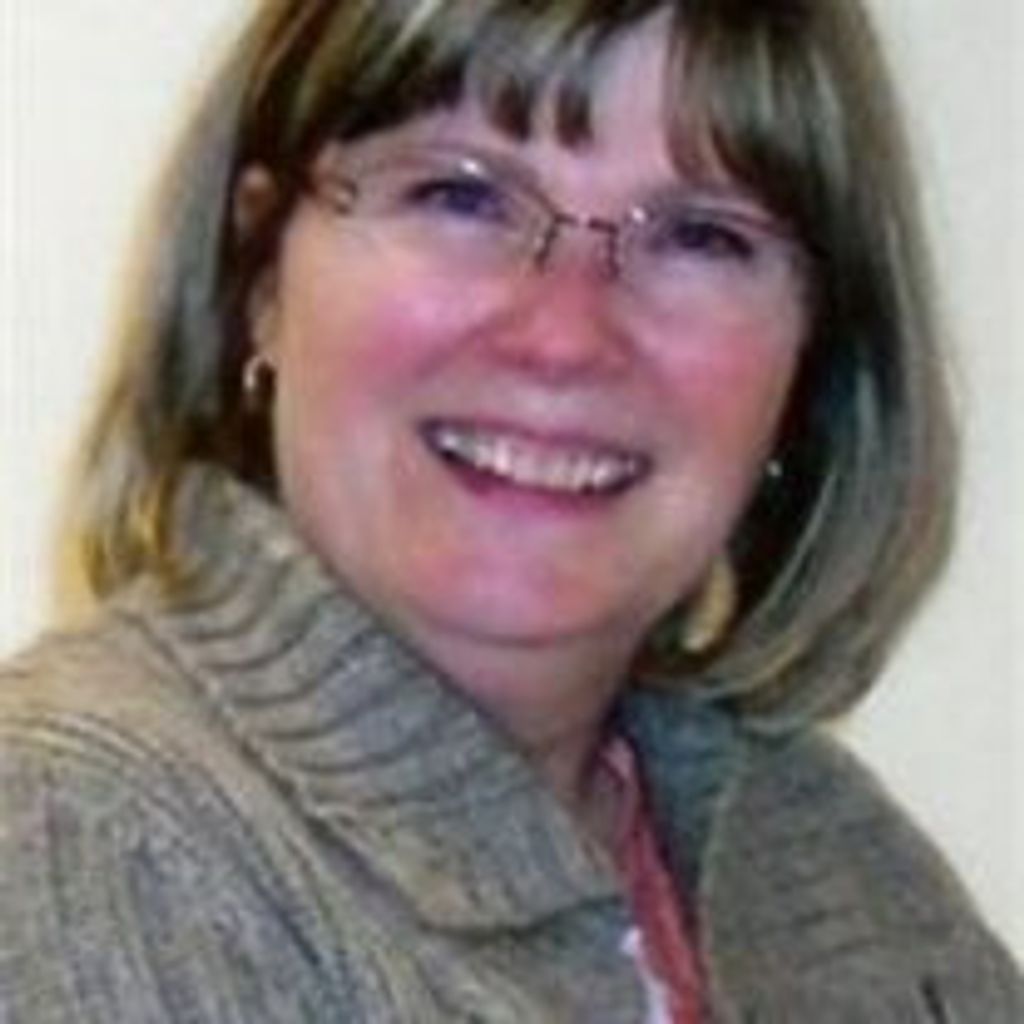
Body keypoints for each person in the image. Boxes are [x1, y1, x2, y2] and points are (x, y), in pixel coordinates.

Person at [1, 0, 1020, 1020]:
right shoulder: (89, 835)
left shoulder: (824, 852)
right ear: (260, 280)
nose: (564, 337)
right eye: (461, 197)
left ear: (813, 364)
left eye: (700, 237)